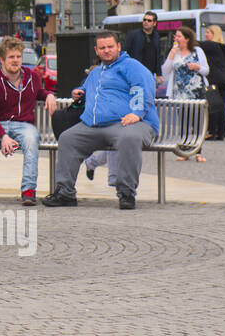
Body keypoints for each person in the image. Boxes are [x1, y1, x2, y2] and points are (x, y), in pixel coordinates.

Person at [42, 30, 159, 211]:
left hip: (130, 123)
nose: (107, 51)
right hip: (94, 125)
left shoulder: (132, 66)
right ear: (96, 50)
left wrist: (137, 112)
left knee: (130, 138)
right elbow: (88, 89)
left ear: (118, 47)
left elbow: (143, 88)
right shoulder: (96, 72)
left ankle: (126, 194)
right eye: (102, 48)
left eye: (110, 47)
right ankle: (65, 193)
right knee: (68, 138)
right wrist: (79, 91)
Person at [0, 37, 57, 206]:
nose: (15, 61)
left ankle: (28, 190)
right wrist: (4, 137)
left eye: (18, 57)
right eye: (11, 57)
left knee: (31, 139)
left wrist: (49, 95)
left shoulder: (32, 77)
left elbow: (40, 92)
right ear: (2, 60)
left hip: (24, 125)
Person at [163, 26, 210, 162]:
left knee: (197, 123)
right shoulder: (175, 52)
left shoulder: (197, 51)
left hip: (195, 91)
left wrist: (197, 67)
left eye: (179, 36)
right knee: (183, 122)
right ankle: (184, 151)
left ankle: (198, 151)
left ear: (187, 38)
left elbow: (206, 70)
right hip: (179, 93)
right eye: (175, 36)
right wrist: (171, 55)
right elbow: (165, 71)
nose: (176, 39)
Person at [201, 25, 225, 141]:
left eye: (209, 32)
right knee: (220, 106)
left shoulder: (211, 46)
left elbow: (197, 44)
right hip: (223, 80)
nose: (206, 34)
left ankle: (214, 131)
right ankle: (222, 130)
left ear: (214, 34)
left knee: (214, 107)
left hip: (215, 80)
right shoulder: (223, 47)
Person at [123, 10, 162, 79]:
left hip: (150, 74)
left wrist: (159, 74)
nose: (146, 22)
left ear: (154, 23)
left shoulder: (156, 37)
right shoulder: (133, 35)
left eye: (149, 20)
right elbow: (125, 53)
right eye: (144, 20)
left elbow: (157, 56)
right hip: (135, 73)